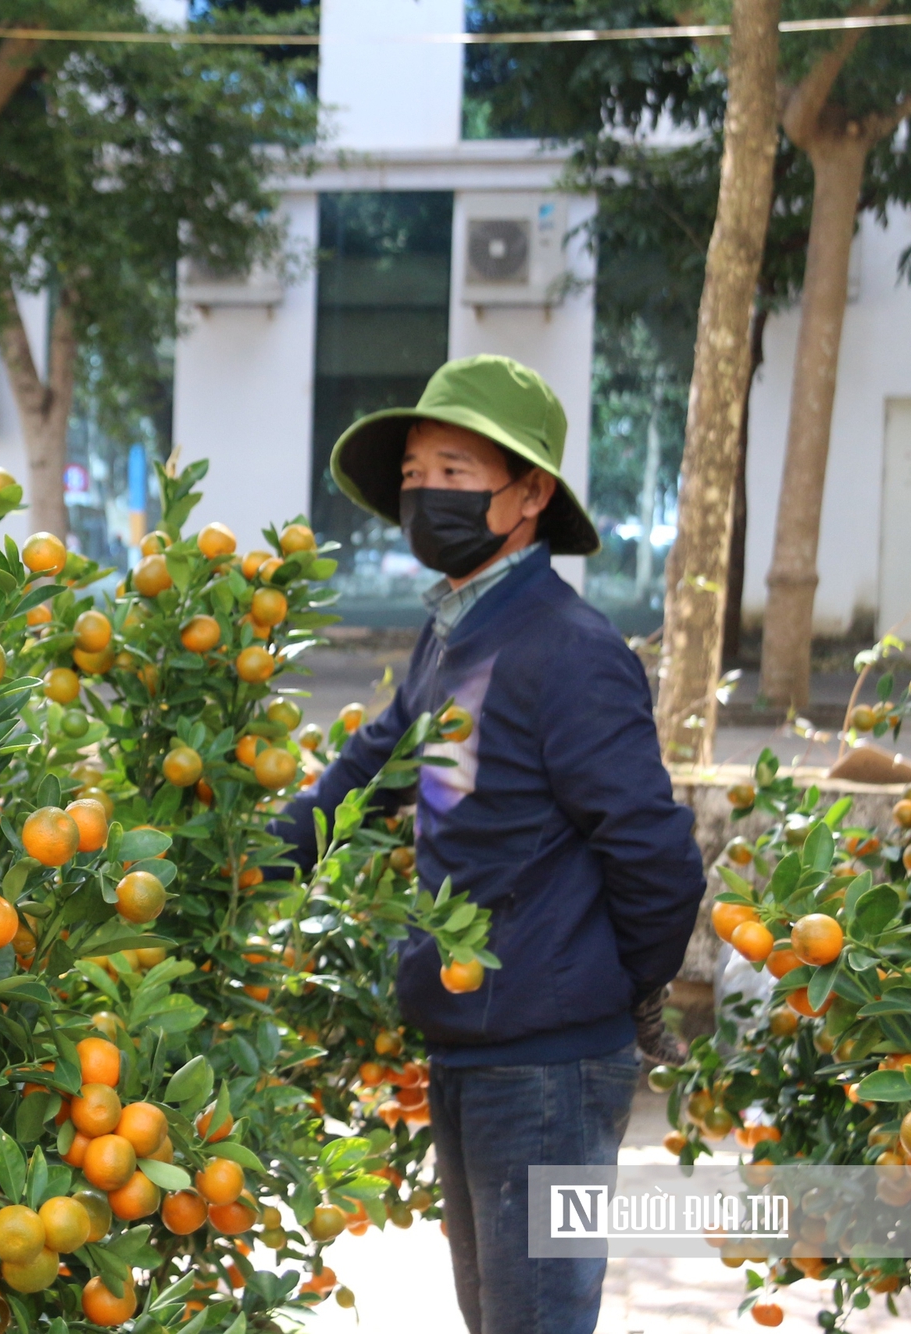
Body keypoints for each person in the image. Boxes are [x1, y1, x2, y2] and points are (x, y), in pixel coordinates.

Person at [274, 356, 704, 1334]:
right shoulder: (449, 637)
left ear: (528, 495)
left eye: (453, 469)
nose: (424, 490)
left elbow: (655, 857)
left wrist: (602, 984)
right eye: (414, 471)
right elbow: (373, 771)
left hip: (545, 1062)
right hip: (468, 1039)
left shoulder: (567, 649)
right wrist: (247, 862)